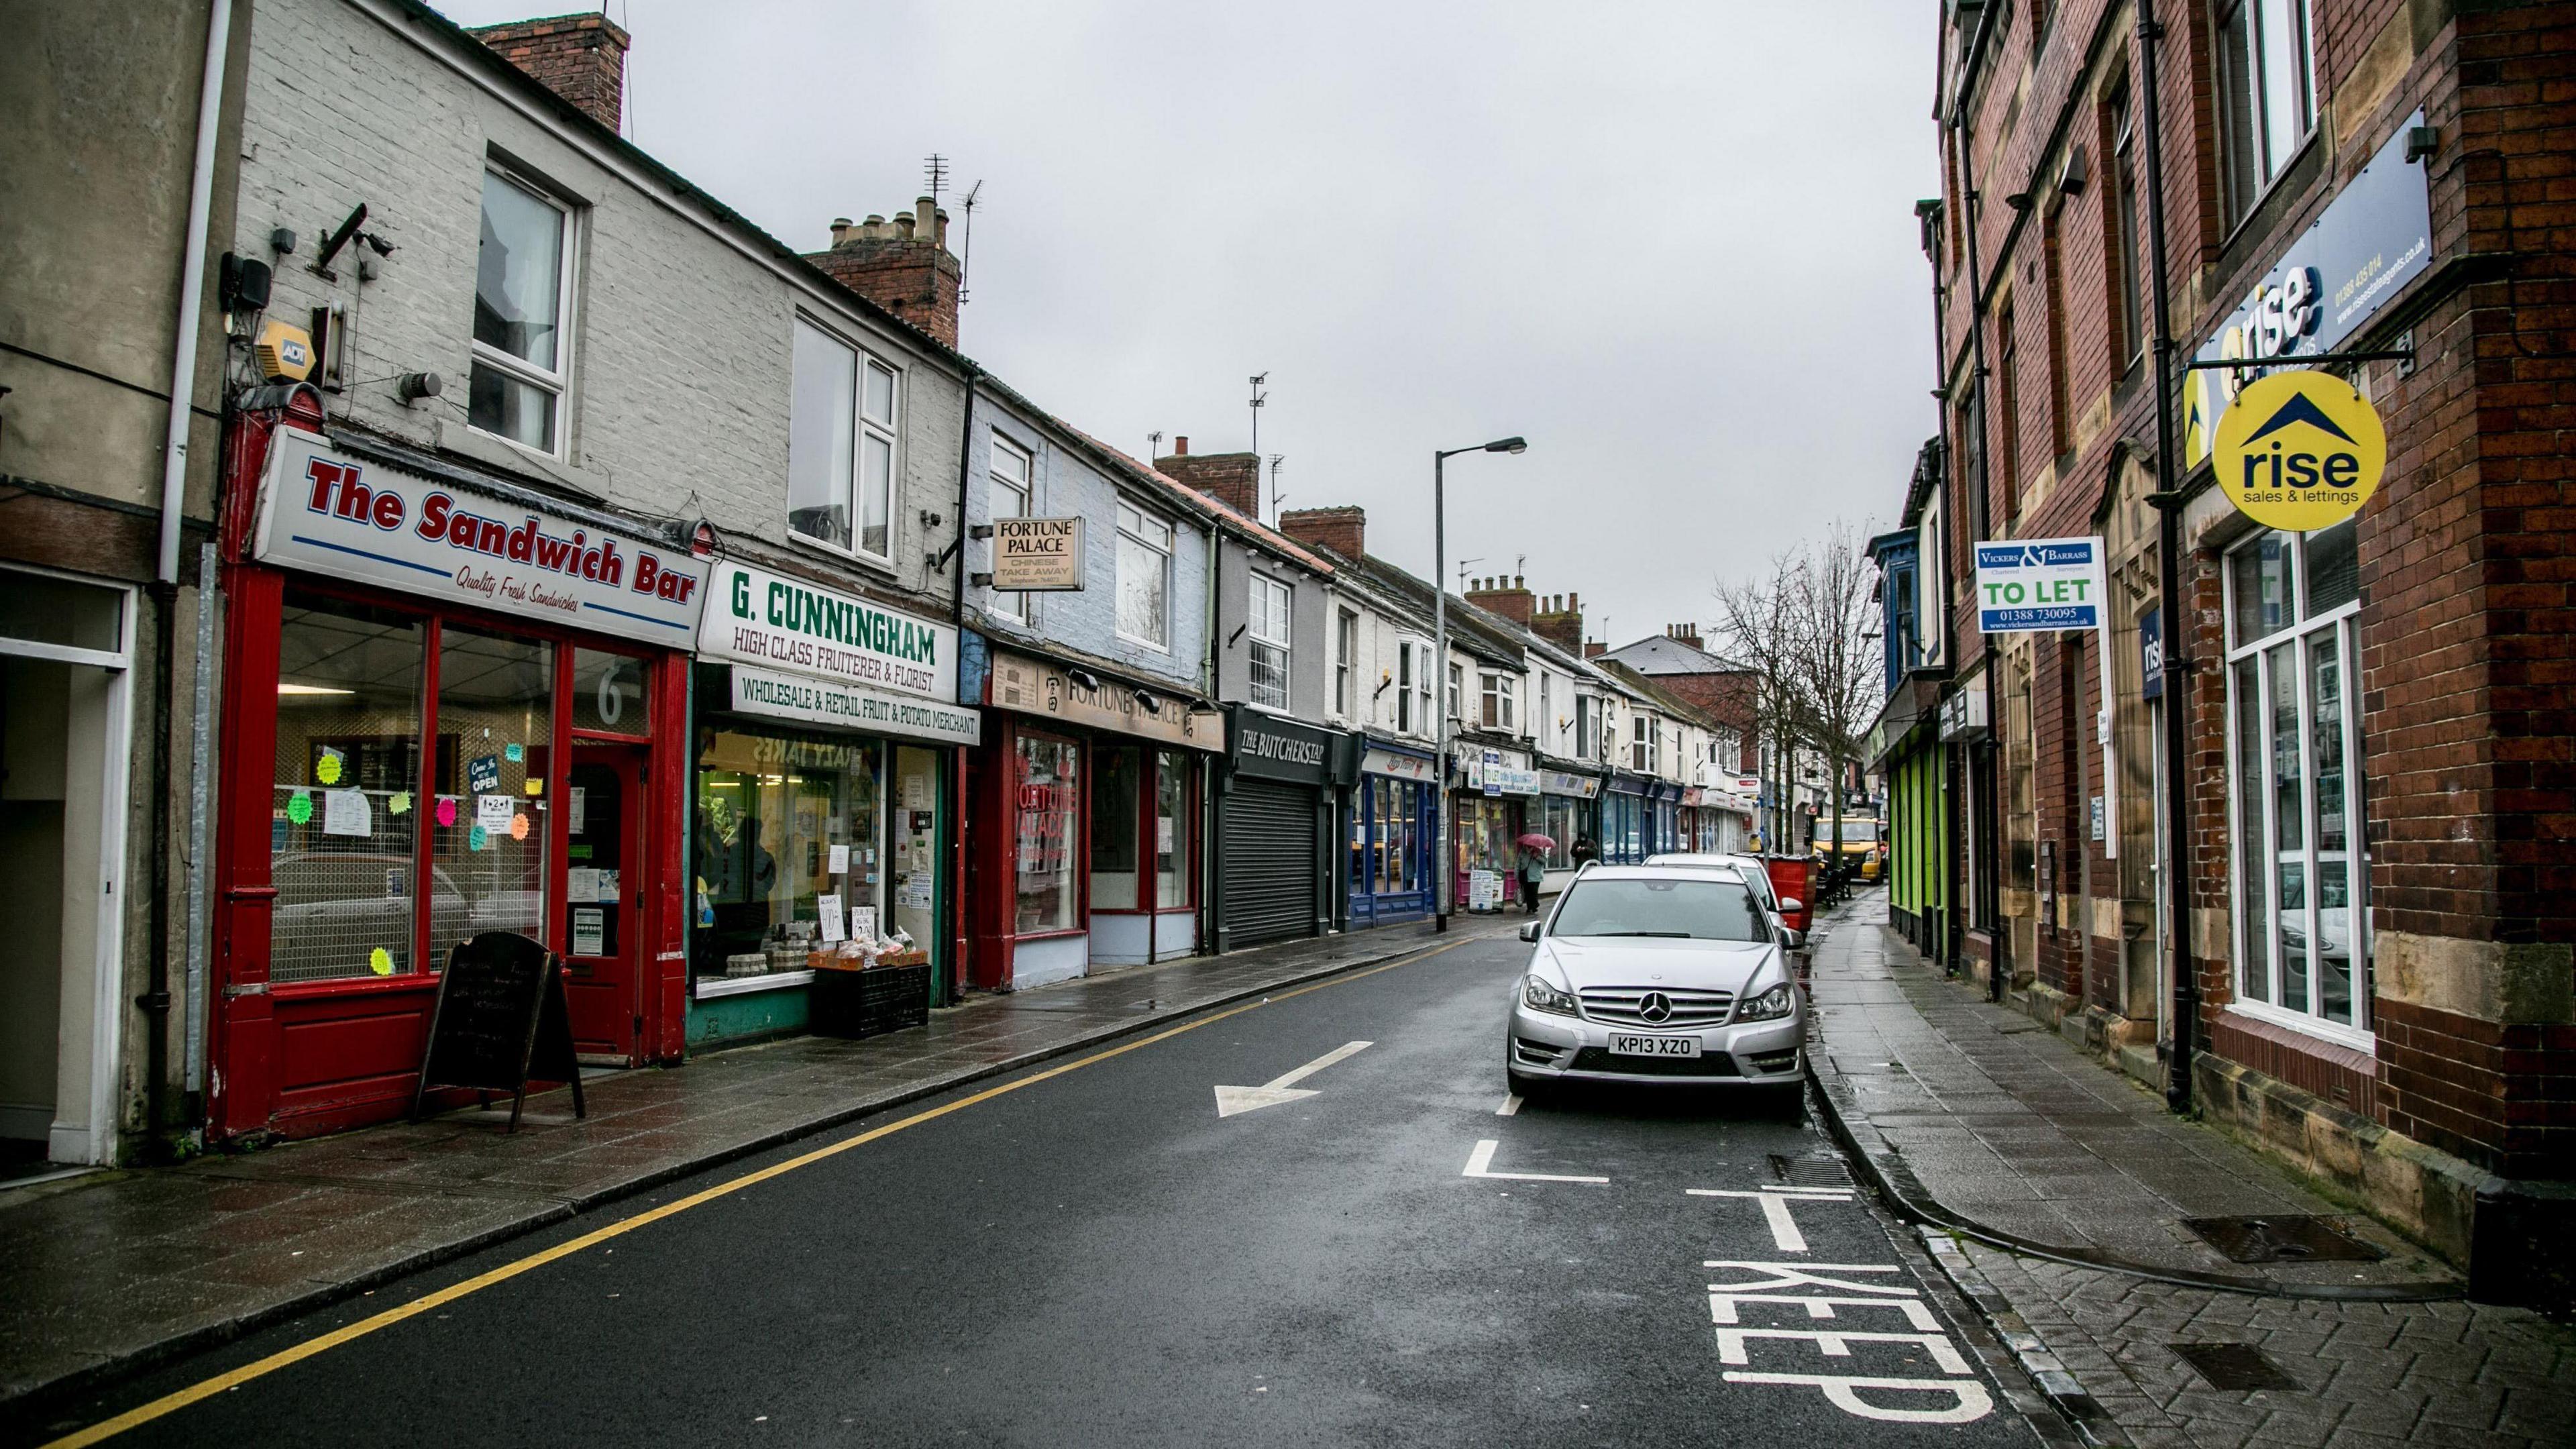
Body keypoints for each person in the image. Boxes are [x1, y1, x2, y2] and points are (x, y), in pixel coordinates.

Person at [1517, 845, 1546, 914]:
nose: (1528, 846)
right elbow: (1518, 864)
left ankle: (1533, 906)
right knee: (1527, 893)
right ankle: (1530, 907)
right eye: (1527, 845)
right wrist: (1517, 876)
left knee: (1534, 892)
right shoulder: (1523, 852)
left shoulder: (1538, 851)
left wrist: (1537, 857)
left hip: (1535, 876)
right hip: (1525, 876)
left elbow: (1544, 861)